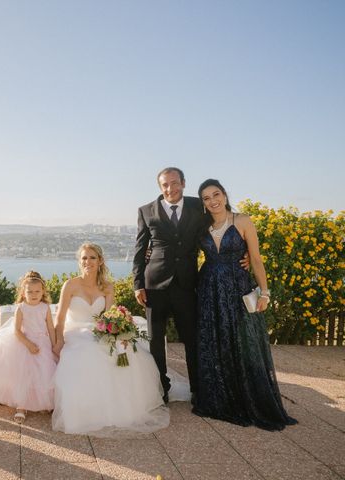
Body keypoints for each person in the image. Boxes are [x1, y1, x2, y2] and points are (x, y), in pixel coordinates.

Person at [193, 179, 297, 430]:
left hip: (238, 287)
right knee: (216, 340)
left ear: (225, 195)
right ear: (203, 204)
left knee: (243, 342)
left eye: (216, 194)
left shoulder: (242, 221)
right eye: (206, 198)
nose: (212, 201)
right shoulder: (201, 226)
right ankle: (220, 398)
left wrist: (265, 293)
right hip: (209, 288)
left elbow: (257, 259)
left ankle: (248, 399)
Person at [52, 243, 169, 436]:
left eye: (92, 258)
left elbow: (109, 317)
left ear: (100, 261)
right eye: (83, 258)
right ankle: (86, 410)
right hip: (74, 331)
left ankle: (121, 408)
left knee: (127, 352)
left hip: (98, 331)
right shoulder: (70, 285)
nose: (87, 262)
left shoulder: (107, 287)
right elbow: (60, 317)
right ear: (79, 261)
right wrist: (58, 341)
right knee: (87, 353)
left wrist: (116, 333)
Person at [132, 167, 203, 403]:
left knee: (192, 339)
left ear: (183, 183)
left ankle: (198, 390)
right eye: (165, 185)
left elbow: (221, 224)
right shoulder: (146, 211)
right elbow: (140, 250)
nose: (170, 189)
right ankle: (161, 388)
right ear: (160, 187)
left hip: (187, 284)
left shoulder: (198, 206)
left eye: (174, 183)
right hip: (155, 286)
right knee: (155, 340)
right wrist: (137, 284)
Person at [0, 271, 56, 424]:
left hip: (43, 344)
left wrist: (54, 345)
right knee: (24, 375)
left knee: (45, 372)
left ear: (43, 291)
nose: (34, 294)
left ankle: (44, 402)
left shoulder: (45, 308)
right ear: (23, 292)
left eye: (37, 291)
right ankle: (21, 406)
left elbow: (50, 328)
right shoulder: (21, 308)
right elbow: (16, 330)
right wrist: (28, 344)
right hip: (25, 343)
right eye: (30, 291)